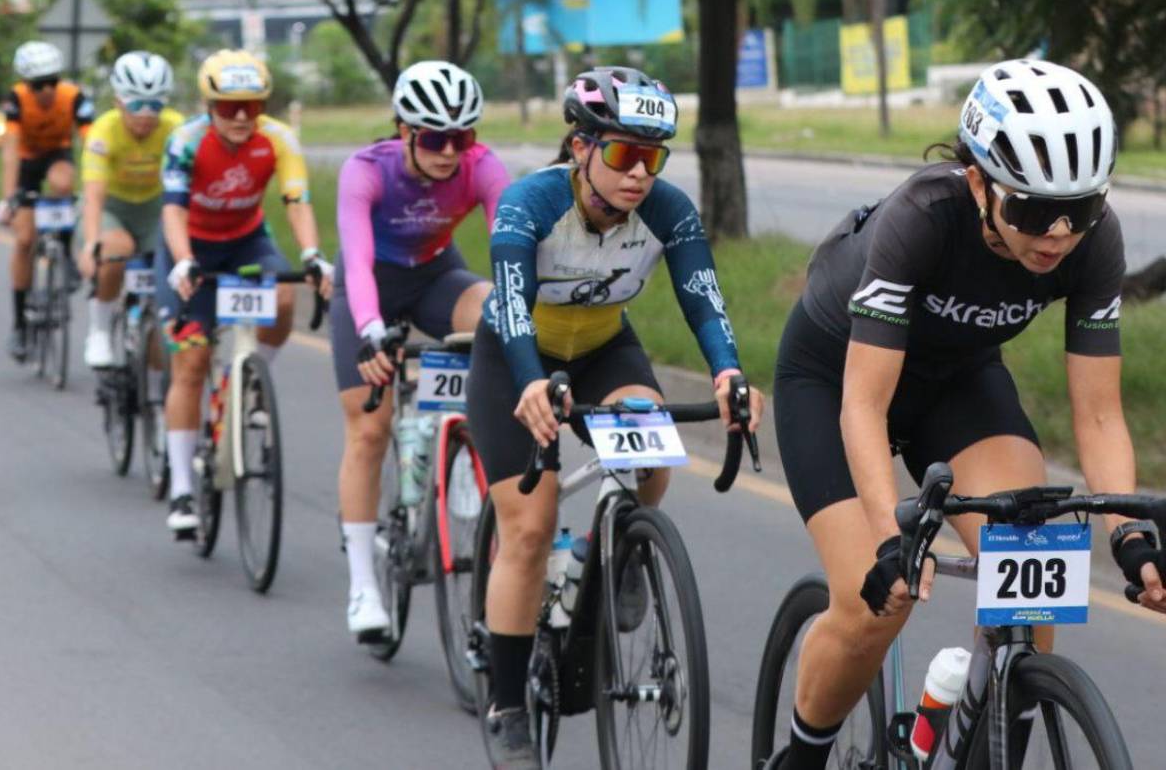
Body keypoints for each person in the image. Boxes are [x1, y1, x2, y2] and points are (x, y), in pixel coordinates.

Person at [766, 59, 1166, 770]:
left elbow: (1101, 417)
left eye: (1083, 207)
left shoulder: (1090, 241)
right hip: (833, 379)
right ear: (979, 183)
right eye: (1035, 211)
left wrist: (1130, 536)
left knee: (1036, 580)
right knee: (875, 601)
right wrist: (893, 531)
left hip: (958, 382)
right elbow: (863, 403)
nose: (1060, 233)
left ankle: (972, 751)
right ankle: (800, 757)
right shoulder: (921, 218)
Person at [466, 66, 764, 767]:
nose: (640, 175)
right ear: (580, 147)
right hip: (515, 354)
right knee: (530, 528)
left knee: (654, 444)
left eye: (653, 157)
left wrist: (727, 371)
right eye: (625, 153)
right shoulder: (530, 202)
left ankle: (622, 548)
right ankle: (508, 702)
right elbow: (510, 305)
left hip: (602, 345)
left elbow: (703, 298)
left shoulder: (666, 208)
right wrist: (532, 384)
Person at [331, 60, 509, 637]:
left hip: (436, 276)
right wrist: (369, 330)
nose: (450, 151)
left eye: (463, 137)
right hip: (371, 286)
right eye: (435, 138)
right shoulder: (367, 170)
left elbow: (511, 245)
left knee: (496, 316)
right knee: (368, 428)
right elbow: (356, 260)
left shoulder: (482, 166)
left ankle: (464, 440)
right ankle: (363, 587)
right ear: (404, 131)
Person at [156, 49, 333, 535]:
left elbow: (296, 200)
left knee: (282, 297)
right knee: (190, 361)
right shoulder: (185, 140)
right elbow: (172, 208)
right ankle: (181, 488)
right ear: (208, 104)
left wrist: (313, 253)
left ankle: (253, 381)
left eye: (252, 106)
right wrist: (183, 260)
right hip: (189, 244)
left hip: (246, 240)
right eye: (228, 106)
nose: (240, 116)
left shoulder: (278, 138)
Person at [77, 51, 183, 367]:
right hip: (114, 207)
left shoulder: (177, 128)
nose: (146, 115)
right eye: (137, 104)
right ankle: (98, 329)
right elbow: (93, 196)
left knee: (170, 263)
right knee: (115, 251)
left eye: (156, 105)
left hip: (154, 209)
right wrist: (92, 243)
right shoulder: (103, 131)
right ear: (119, 102)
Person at [0, 40, 95, 362]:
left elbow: (91, 143)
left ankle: (64, 253)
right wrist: (10, 198)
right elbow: (10, 150)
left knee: (62, 182)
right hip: (26, 160)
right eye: (39, 85)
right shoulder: (16, 101)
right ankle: (20, 323)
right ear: (27, 84)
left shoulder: (74, 97)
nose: (47, 90)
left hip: (57, 154)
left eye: (52, 80)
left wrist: (95, 186)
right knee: (24, 239)